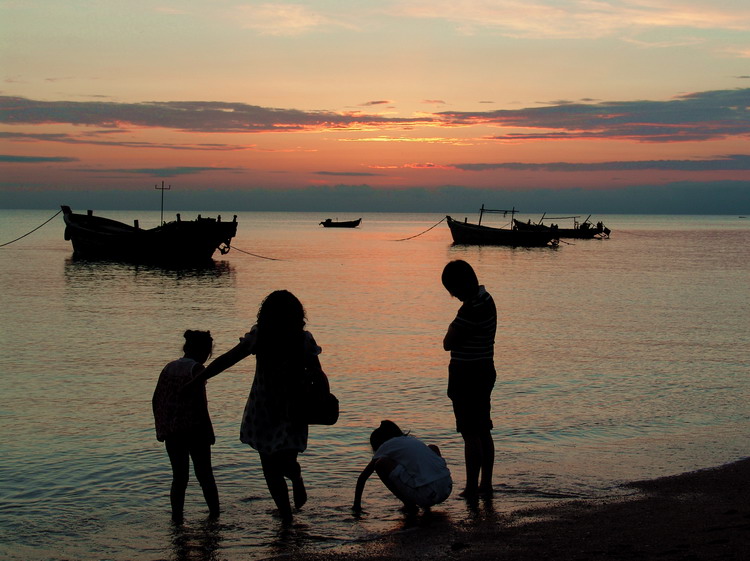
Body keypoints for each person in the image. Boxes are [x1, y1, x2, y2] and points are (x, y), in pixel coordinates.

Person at [196, 290, 325, 524]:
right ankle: (288, 509)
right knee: (283, 460)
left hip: (267, 409)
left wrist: (200, 378)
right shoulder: (300, 338)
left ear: (265, 314)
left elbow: (227, 359)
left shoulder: (265, 336)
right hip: (289, 409)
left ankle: (289, 505)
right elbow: (318, 372)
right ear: (298, 314)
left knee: (272, 466)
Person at [441, 259, 497, 498]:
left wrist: (453, 330)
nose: (452, 296)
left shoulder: (471, 308)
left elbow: (448, 342)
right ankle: (485, 484)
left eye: (452, 290)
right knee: (483, 429)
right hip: (484, 368)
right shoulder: (487, 299)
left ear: (462, 284)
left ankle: (472, 487)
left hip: (467, 374)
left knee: (470, 432)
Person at [152, 330, 220, 523]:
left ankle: (177, 519)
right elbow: (200, 405)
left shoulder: (168, 367)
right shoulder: (197, 369)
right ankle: (215, 516)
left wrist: (161, 426)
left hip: (173, 432)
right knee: (205, 475)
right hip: (194, 430)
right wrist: (209, 431)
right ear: (206, 352)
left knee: (179, 478)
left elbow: (157, 398)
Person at [352, 420, 452, 514]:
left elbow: (362, 478)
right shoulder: (411, 440)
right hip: (447, 488)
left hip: (427, 495)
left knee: (380, 464)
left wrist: (356, 507)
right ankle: (426, 506)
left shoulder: (386, 446)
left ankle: (409, 505)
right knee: (432, 447)